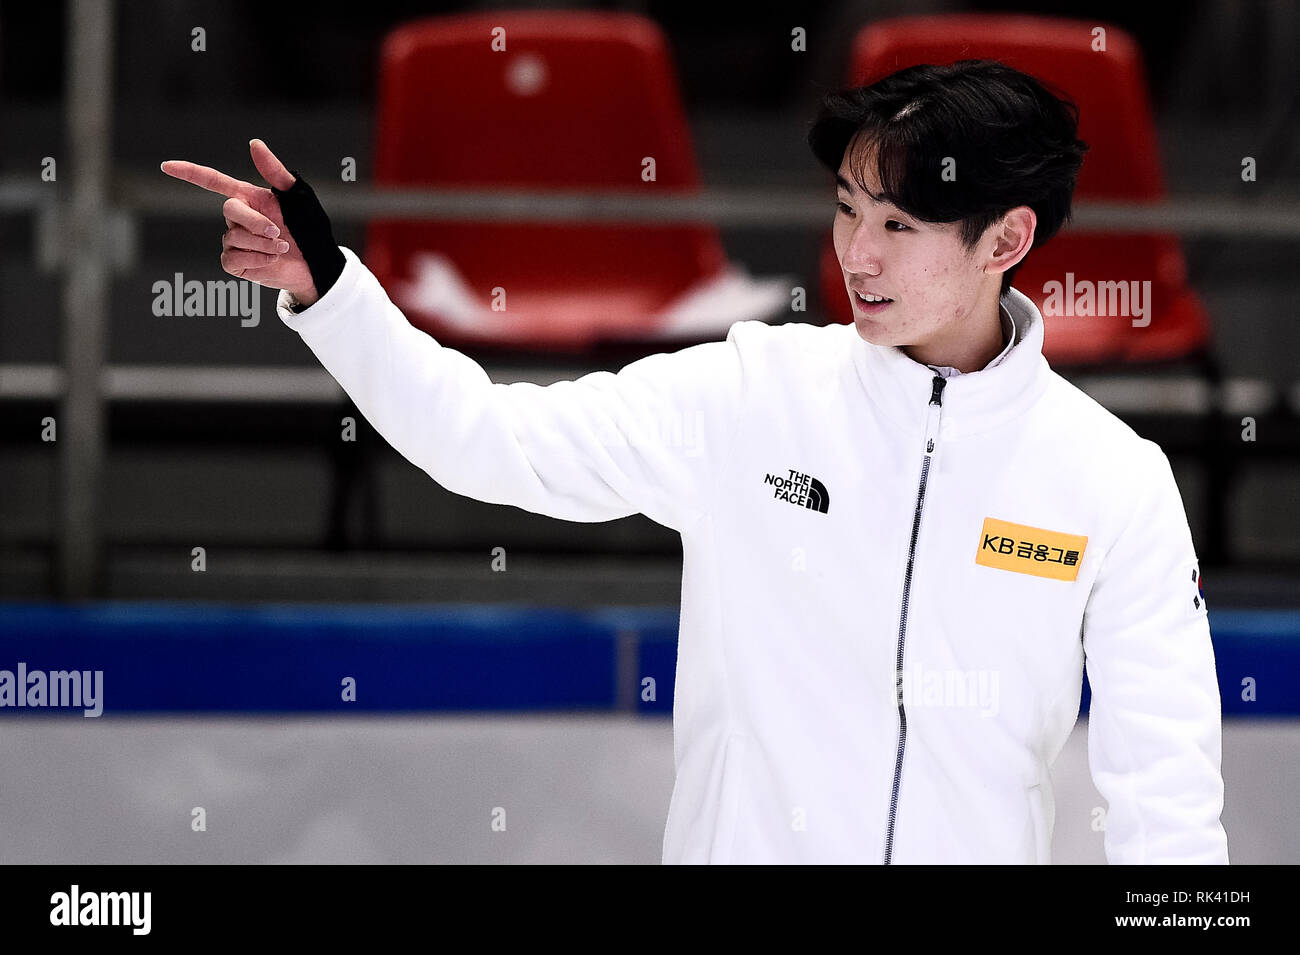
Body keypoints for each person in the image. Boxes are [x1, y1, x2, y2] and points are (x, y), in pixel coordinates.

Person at [161, 58, 1228, 864]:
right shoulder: (748, 394)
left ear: (1005, 240)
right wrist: (335, 294)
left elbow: (1167, 798)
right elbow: (487, 440)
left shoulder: (1110, 479)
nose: (856, 254)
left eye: (899, 224)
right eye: (849, 210)